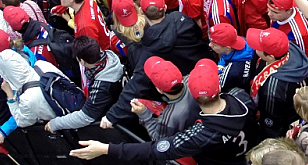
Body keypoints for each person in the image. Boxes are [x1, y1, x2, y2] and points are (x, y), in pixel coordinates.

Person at [71, 59, 259, 165]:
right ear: (218, 87)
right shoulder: (240, 98)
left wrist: (105, 149)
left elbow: (156, 148)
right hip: (245, 153)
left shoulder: (199, 135)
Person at [45, 36, 124, 132]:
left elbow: (85, 116)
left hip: (118, 124)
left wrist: (55, 124)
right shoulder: (111, 58)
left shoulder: (101, 87)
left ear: (81, 61)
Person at [247, 27, 308, 139]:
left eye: (258, 47)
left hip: (281, 125)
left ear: (271, 56)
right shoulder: (290, 51)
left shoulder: (273, 89)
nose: (254, 47)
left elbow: (271, 123)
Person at [209, 23, 256, 92]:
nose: (210, 45)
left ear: (228, 48)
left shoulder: (231, 72)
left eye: (214, 45)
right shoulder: (245, 42)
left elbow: (218, 90)